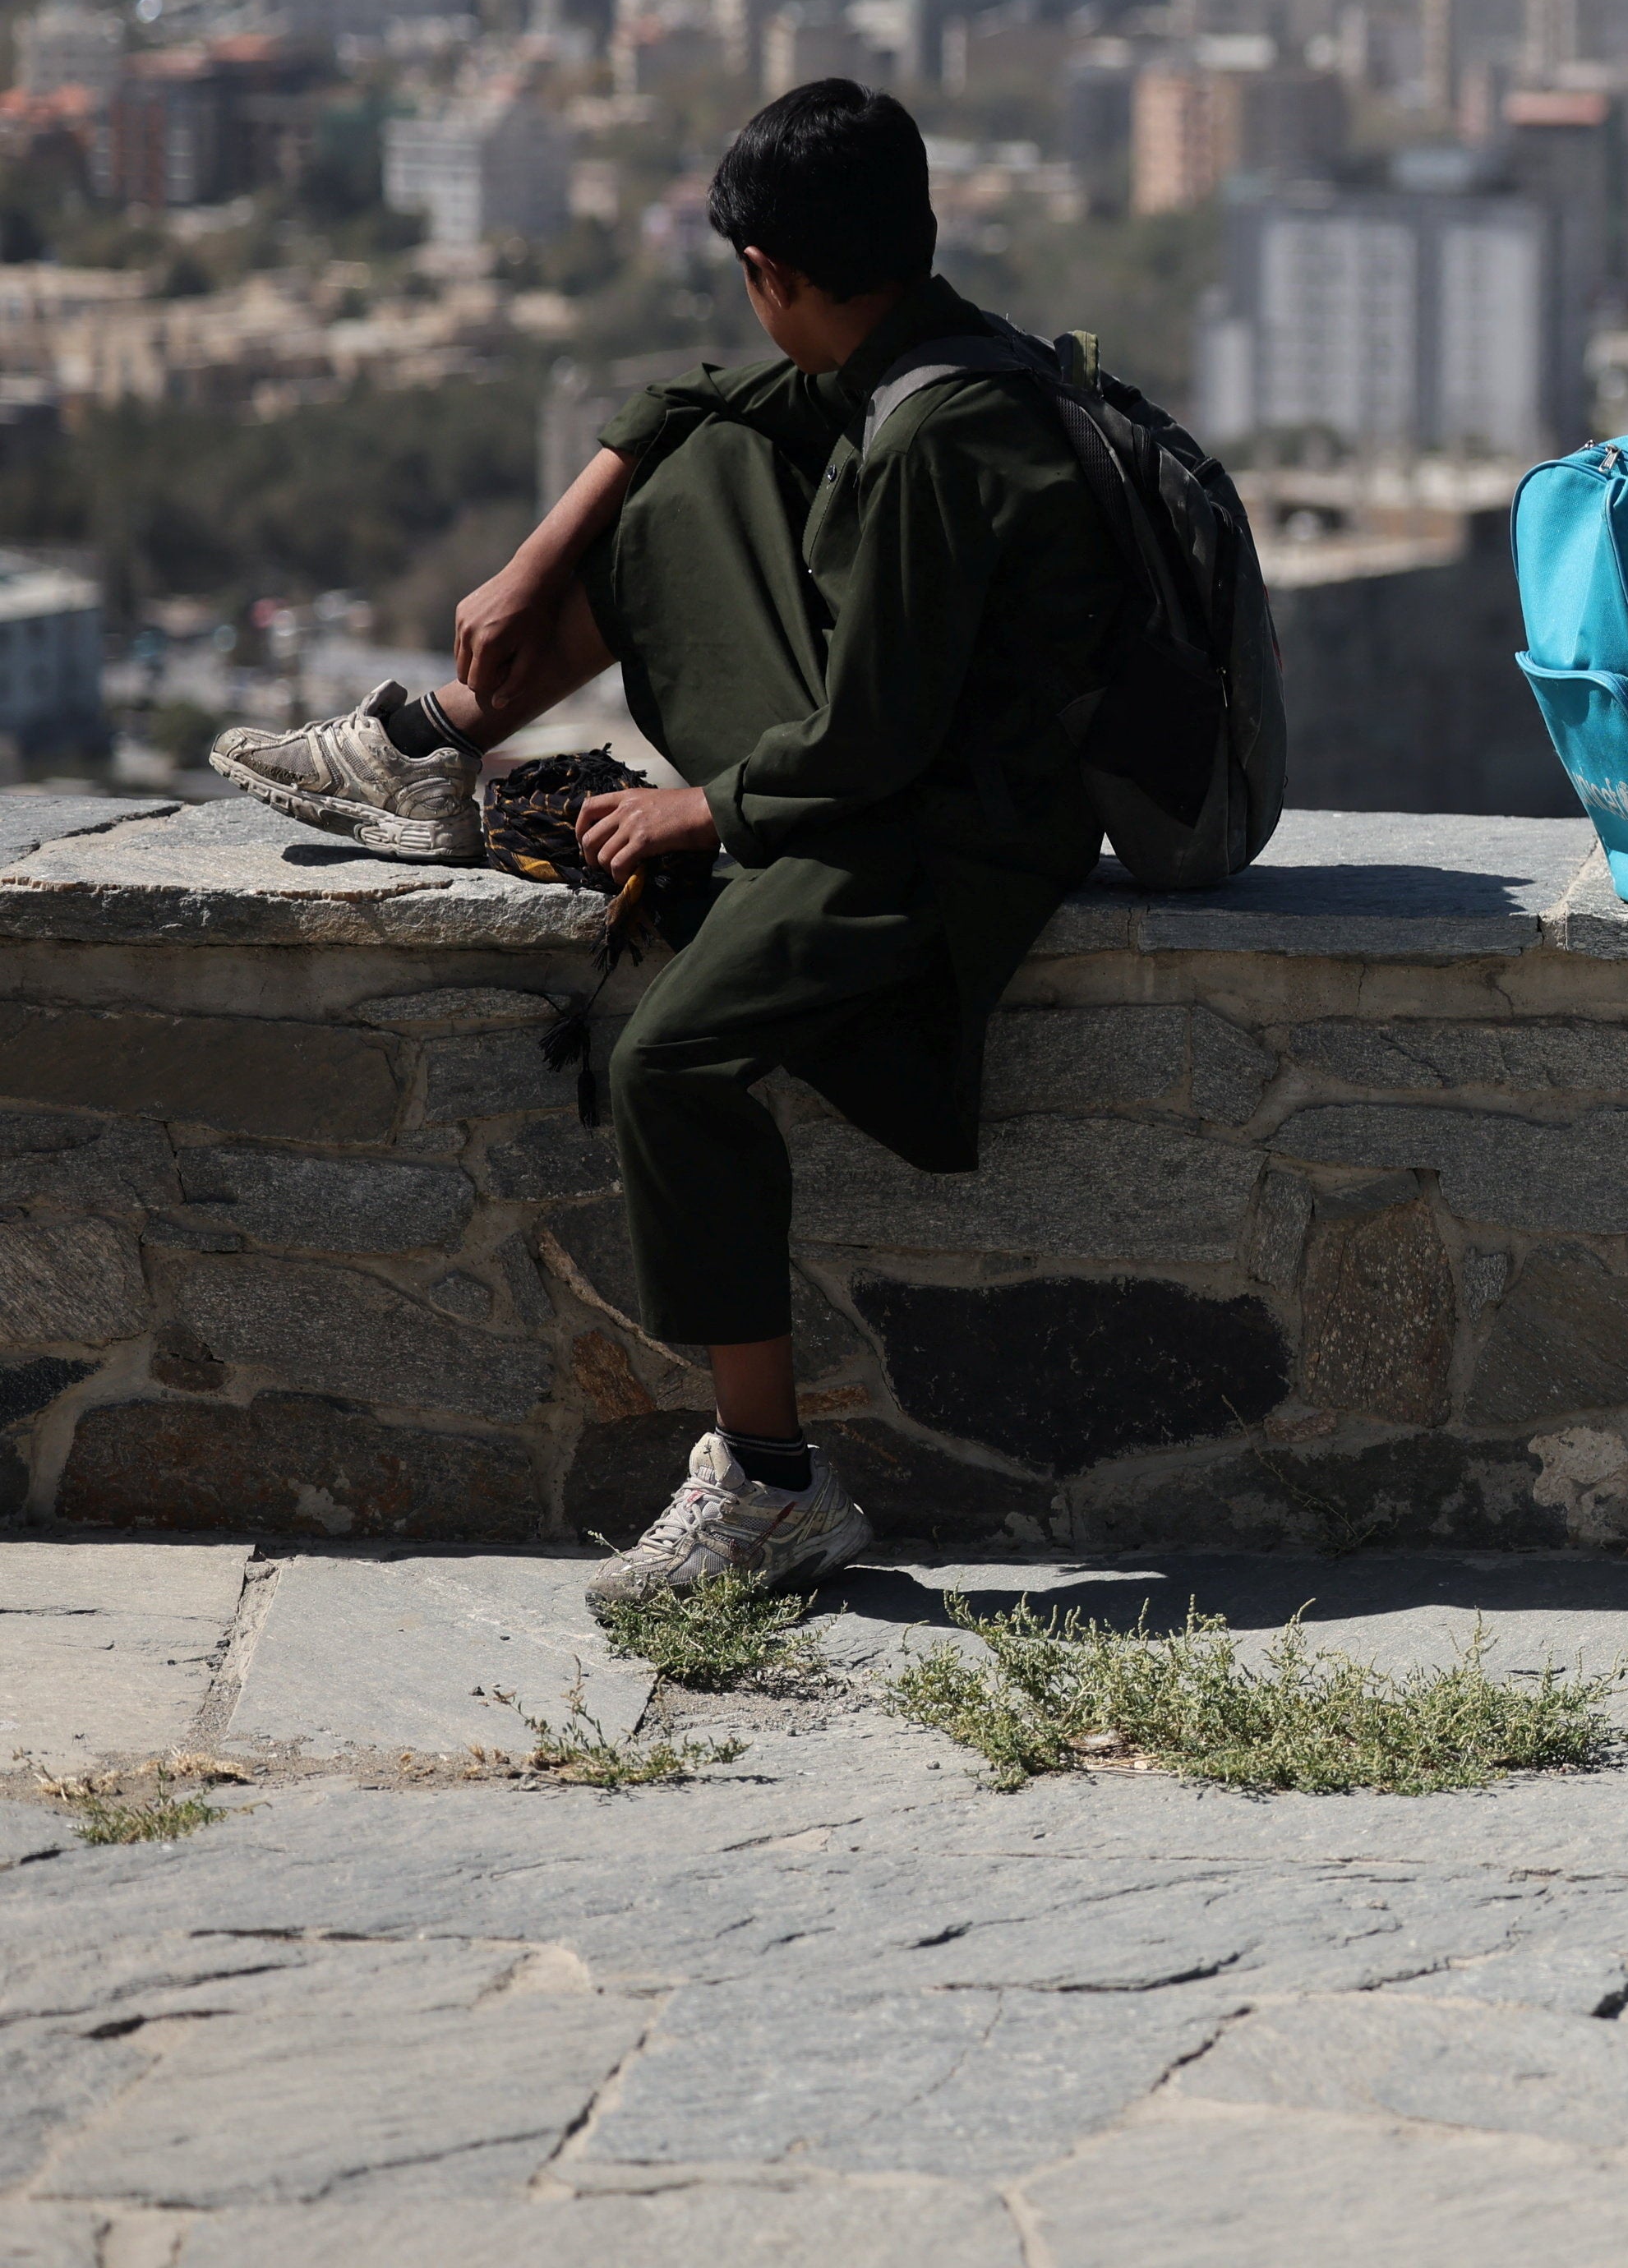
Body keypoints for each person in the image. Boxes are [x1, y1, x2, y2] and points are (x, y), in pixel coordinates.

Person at [211, 78, 1120, 1605]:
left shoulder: (935, 446)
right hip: (895, 765)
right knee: (687, 477)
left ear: (774, 273)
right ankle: (436, 747)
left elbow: (876, 746)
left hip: (939, 835)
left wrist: (697, 808)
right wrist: (540, 550)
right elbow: (696, 406)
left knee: (668, 1064)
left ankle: (772, 1489)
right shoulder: (921, 356)